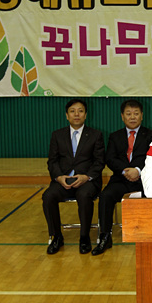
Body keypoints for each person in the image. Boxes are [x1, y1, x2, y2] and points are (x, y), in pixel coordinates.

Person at [92, 99, 152, 256]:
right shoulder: (115, 136)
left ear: (142, 115)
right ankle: (105, 237)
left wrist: (137, 170)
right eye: (128, 114)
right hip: (120, 179)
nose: (132, 117)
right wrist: (125, 171)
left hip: (143, 180)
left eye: (136, 113)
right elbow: (110, 158)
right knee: (105, 196)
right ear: (122, 116)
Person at [42, 98, 105, 255]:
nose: (76, 114)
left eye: (80, 111)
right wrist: (58, 177)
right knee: (48, 196)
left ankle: (84, 237)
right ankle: (56, 237)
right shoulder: (57, 135)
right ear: (67, 115)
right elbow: (52, 161)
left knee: (84, 195)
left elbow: (99, 162)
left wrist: (86, 177)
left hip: (87, 181)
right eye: (72, 111)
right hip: (64, 180)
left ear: (86, 115)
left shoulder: (95, 135)